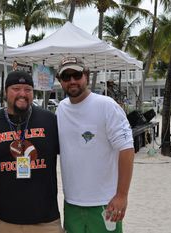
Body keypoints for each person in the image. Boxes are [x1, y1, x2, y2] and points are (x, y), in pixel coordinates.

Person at [56, 57, 134, 233]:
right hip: (72, 203)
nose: (72, 81)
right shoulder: (61, 109)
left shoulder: (106, 105)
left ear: (86, 75)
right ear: (60, 81)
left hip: (105, 202)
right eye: (66, 77)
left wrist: (122, 195)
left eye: (77, 75)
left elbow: (127, 149)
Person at [0, 70, 63, 233]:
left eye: (28, 89)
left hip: (46, 222)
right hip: (4, 221)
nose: (22, 94)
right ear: (5, 92)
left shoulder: (50, 121)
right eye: (16, 88)